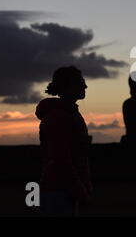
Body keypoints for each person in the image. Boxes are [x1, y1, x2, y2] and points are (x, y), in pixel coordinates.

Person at [35, 66, 92, 216]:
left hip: (67, 189)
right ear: (69, 85)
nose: (85, 86)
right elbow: (61, 159)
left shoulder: (72, 114)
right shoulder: (57, 117)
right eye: (80, 81)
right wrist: (80, 189)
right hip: (58, 190)